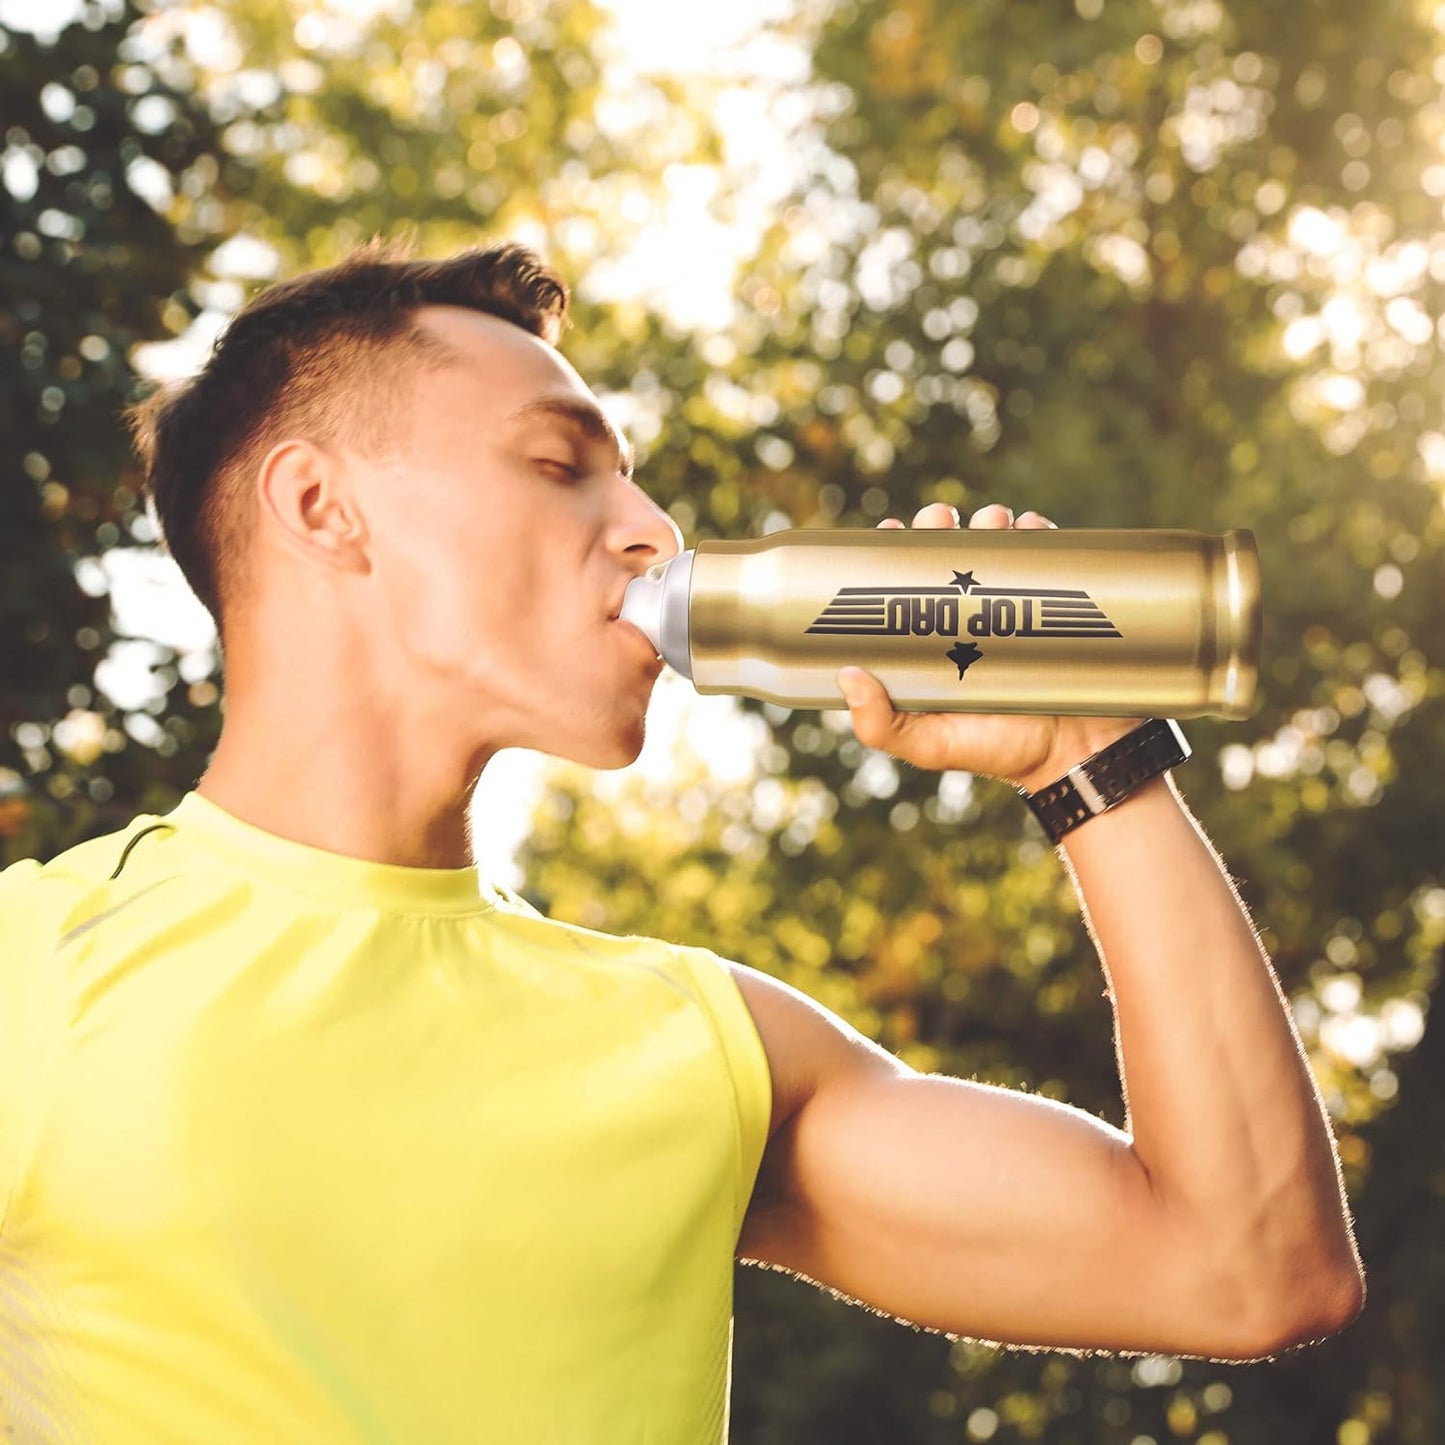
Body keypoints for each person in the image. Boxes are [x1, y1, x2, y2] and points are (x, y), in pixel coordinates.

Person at [0, 242, 1364, 1443]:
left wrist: (1086, 763)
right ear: (319, 506)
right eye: (557, 463)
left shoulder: (695, 1045)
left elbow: (1247, 1267)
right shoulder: (34, 971)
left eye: (636, 485)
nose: (653, 532)